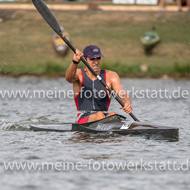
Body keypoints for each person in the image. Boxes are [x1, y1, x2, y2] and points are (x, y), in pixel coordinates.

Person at [65, 45, 132, 123]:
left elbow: (123, 94)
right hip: (83, 117)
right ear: (85, 59)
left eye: (98, 58)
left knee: (113, 114)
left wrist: (127, 103)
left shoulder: (111, 75)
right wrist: (75, 62)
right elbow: (69, 78)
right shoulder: (78, 74)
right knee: (99, 114)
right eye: (92, 59)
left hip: (104, 116)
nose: (96, 62)